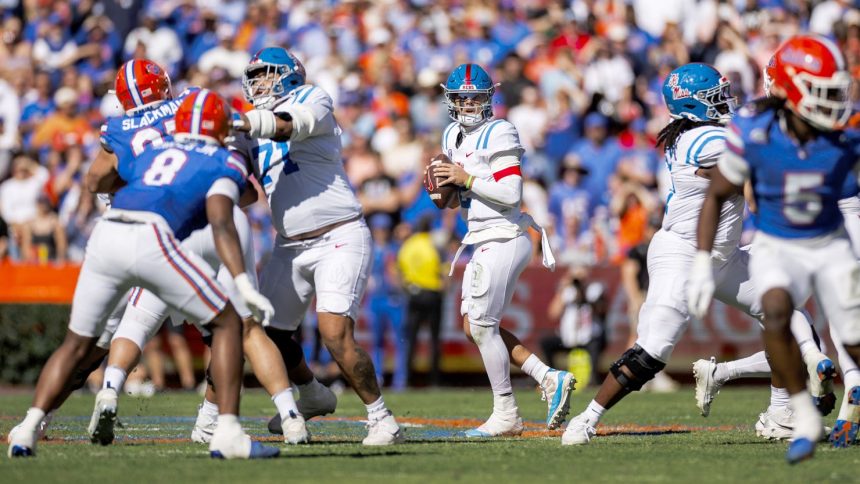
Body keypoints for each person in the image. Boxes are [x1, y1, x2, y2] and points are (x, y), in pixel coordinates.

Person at [562, 62, 830, 447]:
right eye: (715, 97)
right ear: (692, 106)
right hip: (683, 253)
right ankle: (587, 419)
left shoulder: (711, 133)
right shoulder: (698, 139)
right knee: (653, 352)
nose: (725, 102)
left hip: (723, 254)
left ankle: (781, 413)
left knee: (785, 309)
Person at [7, 89, 279, 460]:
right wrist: (244, 281)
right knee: (229, 323)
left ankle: (26, 430)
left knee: (77, 344)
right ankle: (227, 431)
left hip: (106, 234)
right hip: (151, 238)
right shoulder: (220, 159)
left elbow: (104, 182)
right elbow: (221, 219)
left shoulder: (149, 148)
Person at [687, 36, 860, 463]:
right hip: (781, 239)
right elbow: (718, 191)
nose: (835, 101)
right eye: (822, 89)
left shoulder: (846, 132)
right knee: (777, 313)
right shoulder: (755, 130)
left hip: (831, 231)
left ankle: (851, 383)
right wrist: (702, 260)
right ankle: (801, 412)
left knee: (850, 329)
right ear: (789, 89)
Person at [231, 46, 403, 445]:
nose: (258, 83)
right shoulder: (249, 129)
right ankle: (311, 394)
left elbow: (288, 126)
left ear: (290, 74)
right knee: (264, 333)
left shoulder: (311, 97)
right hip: (289, 245)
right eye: (253, 76)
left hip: (339, 234)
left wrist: (236, 122)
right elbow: (244, 195)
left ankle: (381, 418)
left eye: (266, 74)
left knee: (334, 333)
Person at [432, 63, 574, 436]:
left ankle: (507, 412)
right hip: (482, 236)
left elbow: (511, 193)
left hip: (505, 234)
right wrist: (444, 191)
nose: (467, 105)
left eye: (474, 98)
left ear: (488, 98)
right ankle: (547, 377)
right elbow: (456, 197)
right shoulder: (451, 135)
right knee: (473, 326)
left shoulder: (500, 130)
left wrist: (466, 178)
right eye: (461, 98)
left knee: (480, 325)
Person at [397, 215, 444, 387]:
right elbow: (444, 270)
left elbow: (399, 270)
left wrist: (408, 287)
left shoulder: (408, 245)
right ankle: (434, 380)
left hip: (414, 294)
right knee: (434, 339)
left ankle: (408, 379)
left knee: (411, 339)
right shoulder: (435, 244)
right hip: (432, 294)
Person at [544, 268, 608, 386]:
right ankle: (554, 377)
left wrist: (584, 294)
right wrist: (563, 288)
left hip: (589, 336)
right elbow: (553, 314)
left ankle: (592, 381)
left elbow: (601, 311)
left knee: (596, 344)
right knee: (545, 343)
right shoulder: (567, 292)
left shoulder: (594, 289)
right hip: (568, 336)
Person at [365, 214, 408, 389]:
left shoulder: (396, 250)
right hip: (376, 299)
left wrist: (398, 281)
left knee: (400, 340)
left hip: (394, 299)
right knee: (376, 341)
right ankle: (378, 376)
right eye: (378, 229)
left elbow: (402, 273)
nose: (380, 232)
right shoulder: (370, 251)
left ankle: (401, 379)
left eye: (383, 229)